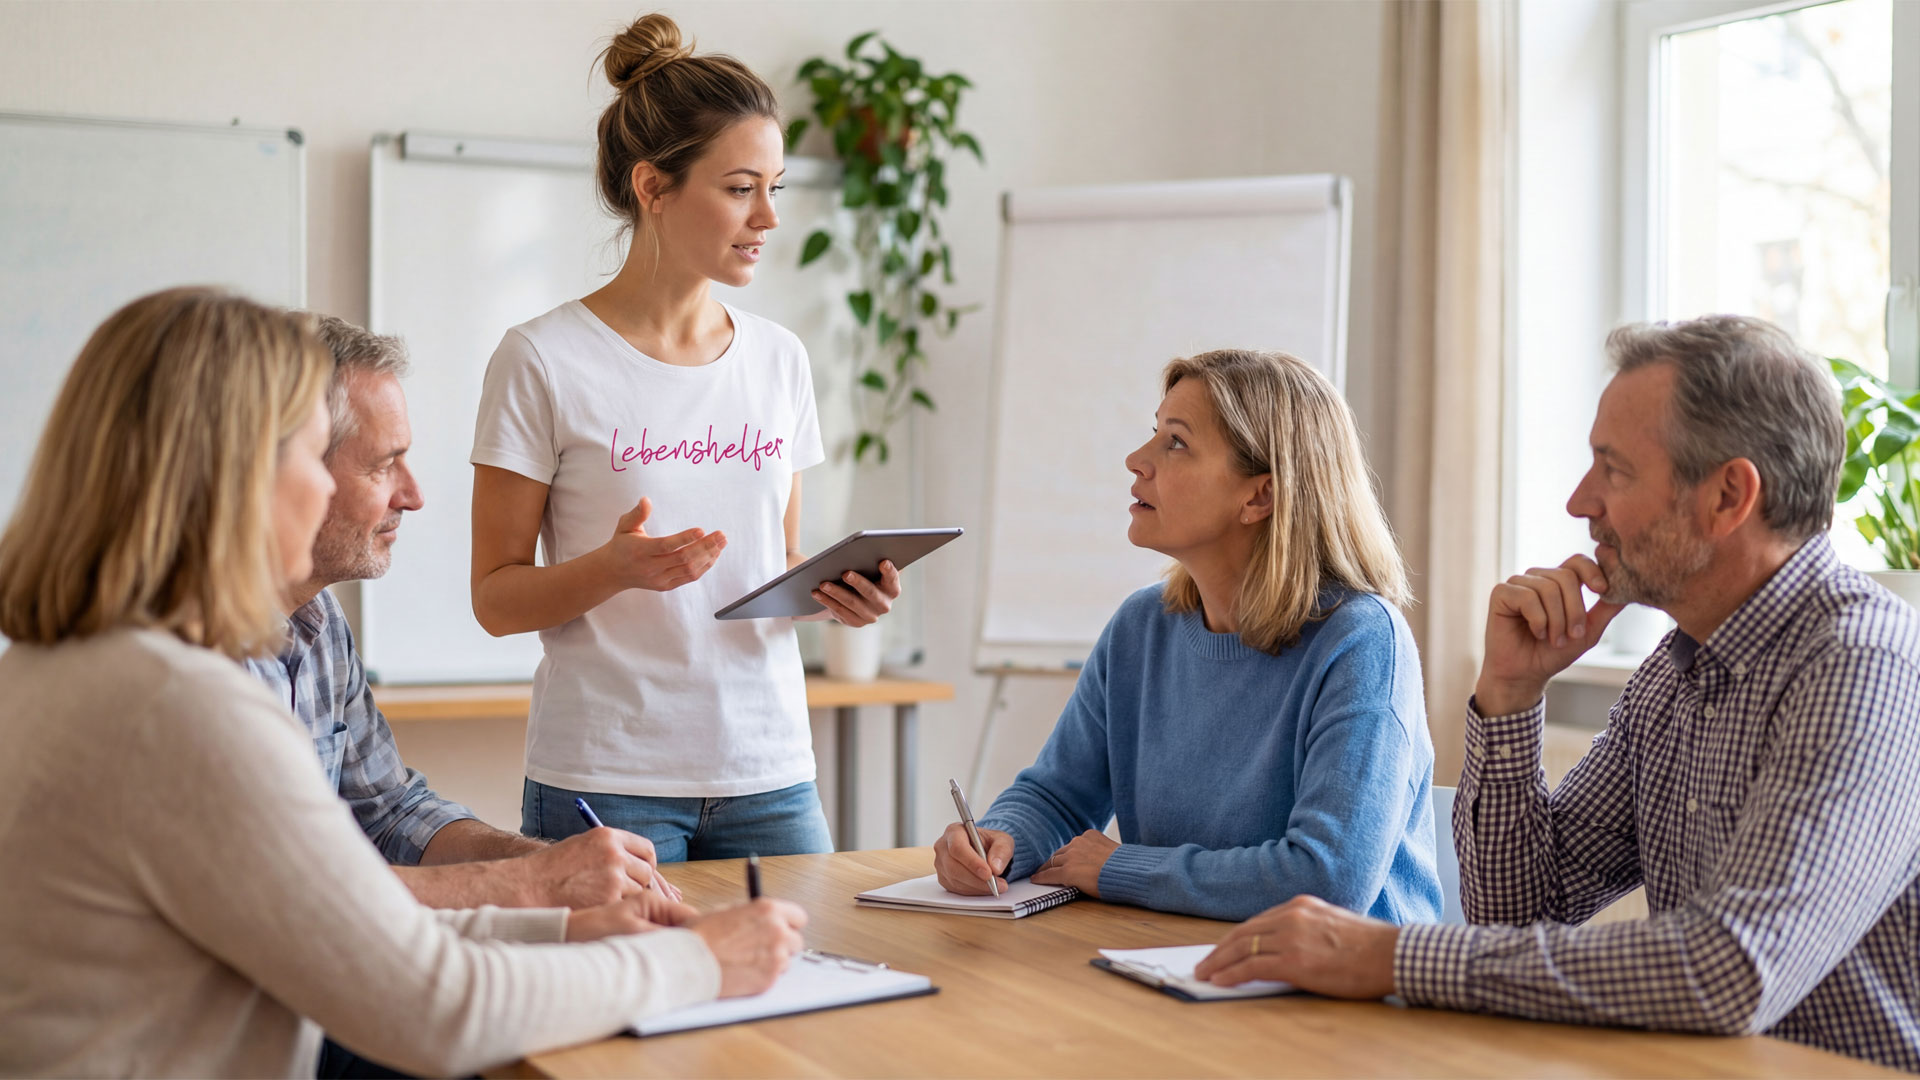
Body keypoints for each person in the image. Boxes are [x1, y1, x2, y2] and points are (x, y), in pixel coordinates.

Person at [0, 287, 807, 1078]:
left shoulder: (70, 663)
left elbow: (355, 905)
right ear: (236, 476)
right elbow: (436, 1009)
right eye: (318, 458)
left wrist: (562, 933)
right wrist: (698, 961)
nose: (412, 495)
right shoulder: (179, 710)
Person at [1194, 316, 1920, 1073]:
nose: (1580, 502)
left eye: (1615, 469)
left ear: (1729, 495)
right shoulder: (1675, 672)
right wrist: (1510, 695)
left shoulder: (1864, 667)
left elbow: (1729, 971)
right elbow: (1519, 913)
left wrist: (1392, 957)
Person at [471, 13, 897, 860]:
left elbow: (773, 566)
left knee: (807, 990)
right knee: (623, 995)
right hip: (606, 776)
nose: (769, 216)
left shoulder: (780, 359)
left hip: (770, 772)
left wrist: (838, 593)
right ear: (652, 188)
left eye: (776, 186)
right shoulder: (542, 358)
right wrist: (611, 570)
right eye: (741, 188)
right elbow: (495, 599)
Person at [932, 348, 1442, 923]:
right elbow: (1058, 797)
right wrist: (999, 842)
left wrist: (1119, 868)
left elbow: (1327, 877)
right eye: (1155, 433)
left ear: (1259, 496)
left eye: (1175, 442)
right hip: (1178, 964)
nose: (1135, 459)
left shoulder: (1363, 642)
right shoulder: (1140, 628)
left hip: (1346, 1000)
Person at [247, 314, 678, 912]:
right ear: (282, 471)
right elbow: (284, 892)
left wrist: (544, 860)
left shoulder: (320, 623)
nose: (413, 495)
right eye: (381, 464)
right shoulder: (184, 658)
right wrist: (531, 885)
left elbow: (393, 811)